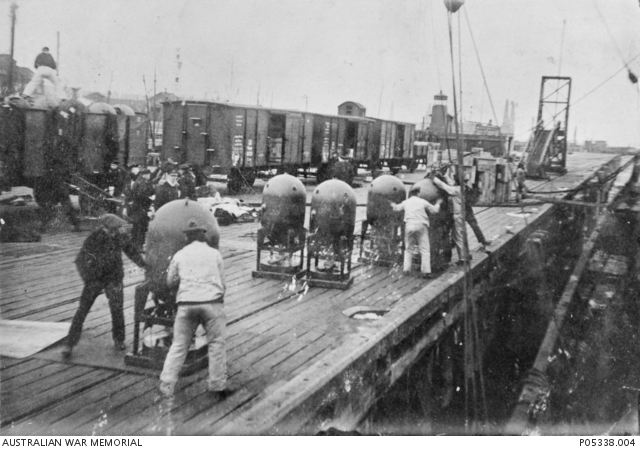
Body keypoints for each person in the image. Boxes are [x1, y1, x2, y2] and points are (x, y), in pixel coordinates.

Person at [159, 218, 229, 399]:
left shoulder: (180, 255)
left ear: (187, 237)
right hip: (212, 303)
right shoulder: (214, 254)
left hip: (186, 304)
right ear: (203, 235)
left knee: (179, 344)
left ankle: (166, 385)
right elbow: (223, 283)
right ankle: (217, 386)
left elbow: (170, 282)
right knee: (216, 344)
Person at [62, 214, 146, 359]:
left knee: (117, 308)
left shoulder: (119, 236)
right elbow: (80, 260)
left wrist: (144, 265)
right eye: (115, 228)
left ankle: (119, 339)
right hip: (95, 279)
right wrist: (88, 278)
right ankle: (70, 343)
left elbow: (131, 252)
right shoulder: (94, 237)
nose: (118, 230)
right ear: (107, 227)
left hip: (113, 278)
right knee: (82, 310)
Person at [391, 187, 442, 278]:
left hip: (409, 225)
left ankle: (406, 270)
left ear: (410, 194)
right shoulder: (422, 201)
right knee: (425, 249)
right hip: (421, 225)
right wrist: (438, 203)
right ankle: (426, 272)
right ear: (418, 193)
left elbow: (396, 208)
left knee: (408, 249)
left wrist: (392, 204)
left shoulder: (406, 202)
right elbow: (435, 210)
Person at [433, 172, 471, 265]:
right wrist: (445, 175)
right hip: (462, 214)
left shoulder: (457, 190)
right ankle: (466, 255)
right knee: (461, 235)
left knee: (458, 236)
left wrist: (433, 178)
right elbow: (450, 184)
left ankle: (463, 259)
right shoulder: (463, 188)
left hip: (457, 215)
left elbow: (443, 186)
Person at [34, 168, 82, 233]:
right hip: (51, 195)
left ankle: (41, 226)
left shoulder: (52, 176)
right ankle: (76, 225)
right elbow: (62, 190)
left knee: (51, 210)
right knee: (53, 210)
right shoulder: (55, 177)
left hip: (52, 194)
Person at [128, 168, 154, 250]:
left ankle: (133, 244)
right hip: (141, 207)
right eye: (148, 174)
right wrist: (150, 198)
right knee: (141, 227)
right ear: (145, 175)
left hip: (137, 207)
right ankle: (138, 246)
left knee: (136, 226)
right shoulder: (143, 183)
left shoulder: (138, 181)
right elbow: (141, 195)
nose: (149, 176)